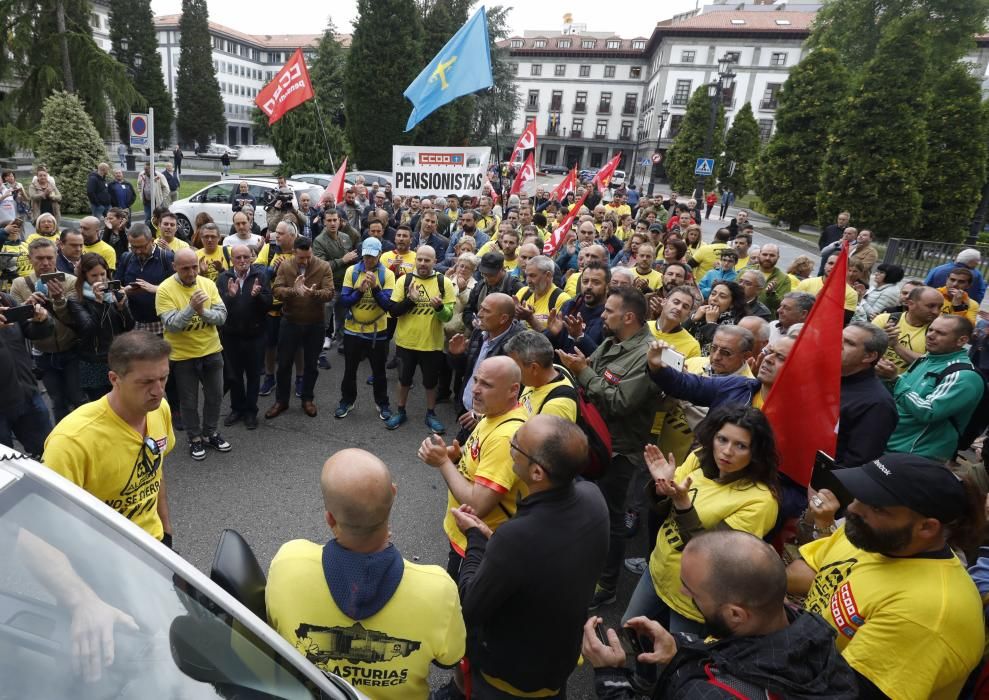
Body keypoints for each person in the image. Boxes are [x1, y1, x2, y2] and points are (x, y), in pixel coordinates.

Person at [265, 448, 465, 699]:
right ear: (393, 493)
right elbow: (450, 659)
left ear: (330, 518)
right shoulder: (438, 589)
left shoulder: (288, 562)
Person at [788, 453, 985, 699]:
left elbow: (845, 693)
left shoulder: (928, 615)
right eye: (860, 496)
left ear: (927, 527)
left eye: (877, 507)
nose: (852, 508)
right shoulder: (870, 536)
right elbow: (807, 572)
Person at [447, 415, 609, 698]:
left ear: (537, 473)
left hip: (508, 682)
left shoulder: (516, 538)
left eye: (516, 445)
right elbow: (545, 560)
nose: (510, 445)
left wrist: (475, 538)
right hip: (557, 663)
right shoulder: (592, 497)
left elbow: (470, 606)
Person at [586, 531, 857, 699]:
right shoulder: (813, 634)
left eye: (692, 590)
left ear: (736, 615)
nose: (683, 591)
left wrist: (610, 677)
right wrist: (679, 647)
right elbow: (737, 652)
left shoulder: (710, 694)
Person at [556, 287, 661, 609]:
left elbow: (619, 401)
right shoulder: (615, 340)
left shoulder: (648, 356)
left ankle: (607, 584)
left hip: (619, 451)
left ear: (628, 317)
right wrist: (581, 363)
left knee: (610, 519)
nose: (602, 316)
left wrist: (582, 371)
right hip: (595, 441)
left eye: (609, 311)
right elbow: (596, 368)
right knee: (586, 507)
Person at [42, 330, 175, 545]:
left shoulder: (160, 410)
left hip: (155, 545)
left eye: (164, 377)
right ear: (114, 379)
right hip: (104, 558)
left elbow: (155, 474)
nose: (158, 391)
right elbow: (47, 527)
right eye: (146, 382)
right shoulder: (71, 440)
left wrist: (166, 531)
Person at [418, 356, 529, 581]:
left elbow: (478, 505)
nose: (475, 390)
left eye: (486, 384)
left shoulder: (506, 436)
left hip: (478, 547)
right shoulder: (495, 415)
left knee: (462, 608)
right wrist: (458, 458)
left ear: (513, 390)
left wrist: (443, 462)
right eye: (476, 380)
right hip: (467, 538)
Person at [155, 248, 230, 461]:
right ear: (175, 267)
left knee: (215, 397)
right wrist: (191, 308)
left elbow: (222, 316)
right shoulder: (165, 289)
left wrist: (202, 312)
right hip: (182, 357)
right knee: (188, 402)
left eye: (194, 267)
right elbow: (172, 325)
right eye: (185, 268)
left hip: (212, 351)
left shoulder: (207, 284)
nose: (191, 272)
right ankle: (195, 438)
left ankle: (210, 433)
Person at [884, 315, 985, 461]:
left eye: (941, 333)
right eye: (930, 330)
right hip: (890, 442)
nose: (930, 335)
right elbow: (897, 393)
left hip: (916, 454)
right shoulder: (926, 359)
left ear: (962, 340)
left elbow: (929, 412)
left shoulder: (963, 375)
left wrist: (894, 380)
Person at [10, 238, 83, 421]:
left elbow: (75, 319)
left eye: (49, 258)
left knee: (78, 398)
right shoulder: (20, 284)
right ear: (30, 258)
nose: (45, 263)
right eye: (39, 258)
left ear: (56, 256)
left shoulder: (70, 281)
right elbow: (14, 324)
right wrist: (28, 307)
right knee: (57, 401)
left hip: (71, 349)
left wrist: (59, 300)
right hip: (43, 353)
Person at [384, 246, 455, 433]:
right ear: (416, 260)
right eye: (420, 259)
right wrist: (410, 300)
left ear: (435, 261)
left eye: (427, 260)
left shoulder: (444, 283)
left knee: (430, 382)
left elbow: (448, 317)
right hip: (406, 342)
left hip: (431, 344)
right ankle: (400, 411)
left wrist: (439, 308)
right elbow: (393, 311)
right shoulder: (404, 281)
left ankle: (431, 413)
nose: (423, 263)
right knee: (404, 379)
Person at [267, 236, 334, 419]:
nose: (305, 261)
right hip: (290, 321)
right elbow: (277, 291)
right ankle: (281, 401)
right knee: (284, 365)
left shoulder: (323, 266)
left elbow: (329, 293)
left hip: (315, 323)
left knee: (311, 365)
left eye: (308, 256)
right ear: (294, 252)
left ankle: (307, 399)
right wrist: (293, 291)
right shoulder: (285, 266)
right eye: (301, 258)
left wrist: (314, 294)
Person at [335, 237, 396, 420]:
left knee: (379, 371)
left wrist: (376, 288)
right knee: (349, 369)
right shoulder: (352, 271)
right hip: (353, 330)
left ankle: (383, 404)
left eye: (372, 256)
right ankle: (346, 401)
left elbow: (388, 306)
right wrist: (359, 292)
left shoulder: (387, 275)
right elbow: (343, 301)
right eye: (365, 256)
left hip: (377, 332)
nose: (368, 260)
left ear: (379, 254)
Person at [217, 244, 272, 430]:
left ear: (252, 258)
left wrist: (257, 296)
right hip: (231, 336)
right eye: (238, 257)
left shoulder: (260, 276)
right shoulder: (223, 278)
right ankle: (237, 409)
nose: (242, 261)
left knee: (254, 375)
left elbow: (268, 304)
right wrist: (229, 296)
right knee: (234, 375)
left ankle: (250, 411)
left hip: (255, 335)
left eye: (246, 257)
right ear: (231, 259)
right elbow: (218, 307)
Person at [66, 253, 134, 399]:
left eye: (102, 274)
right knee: (101, 407)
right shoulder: (75, 300)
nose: (100, 279)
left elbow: (129, 327)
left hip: (117, 357)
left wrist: (123, 308)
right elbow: (88, 330)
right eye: (94, 275)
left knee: (123, 402)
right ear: (85, 277)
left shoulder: (114, 293)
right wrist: (99, 303)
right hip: (94, 361)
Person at [448, 292, 524, 421]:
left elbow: (518, 390)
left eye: (486, 311)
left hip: (490, 418)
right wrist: (456, 355)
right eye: (481, 308)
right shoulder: (479, 332)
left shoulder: (519, 345)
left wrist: (481, 415)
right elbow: (467, 371)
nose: (479, 314)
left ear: (503, 318)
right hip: (468, 411)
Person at [0, 288, 53, 455]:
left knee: (47, 453)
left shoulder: (6, 300)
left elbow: (30, 331)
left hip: (27, 393)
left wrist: (41, 321)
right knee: (5, 469)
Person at [837, 322, 898, 466]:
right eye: (839, 338)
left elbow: (857, 462)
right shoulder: (824, 377)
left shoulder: (877, 404)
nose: (838, 345)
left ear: (869, 356)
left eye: (849, 343)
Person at [505, 330, 578, 421]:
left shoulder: (556, 407)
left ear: (534, 368)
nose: (513, 371)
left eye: (515, 366)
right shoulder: (553, 368)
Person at [871, 285, 942, 375]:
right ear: (911, 304)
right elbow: (863, 347)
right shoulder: (885, 319)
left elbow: (928, 363)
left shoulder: (938, 331)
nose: (936, 312)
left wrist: (896, 345)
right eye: (931, 306)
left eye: (940, 307)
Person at [683, 281, 746, 356]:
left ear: (732, 304)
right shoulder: (701, 313)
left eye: (722, 296)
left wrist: (711, 324)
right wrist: (692, 319)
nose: (714, 299)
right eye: (713, 294)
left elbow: (721, 349)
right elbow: (679, 335)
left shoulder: (735, 324)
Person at [464, 251, 523, 329]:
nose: (487, 278)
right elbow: (467, 310)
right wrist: (472, 321)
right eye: (484, 274)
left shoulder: (515, 287)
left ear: (502, 269)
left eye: (491, 275)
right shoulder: (480, 286)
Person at [796, 253, 860, 321]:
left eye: (838, 265)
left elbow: (842, 321)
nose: (833, 267)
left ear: (846, 270)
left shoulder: (851, 294)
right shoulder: (806, 283)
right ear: (825, 265)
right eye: (830, 263)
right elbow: (794, 309)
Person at [515, 255, 570, 331]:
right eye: (526, 275)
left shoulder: (562, 299)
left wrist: (530, 318)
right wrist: (515, 316)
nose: (528, 281)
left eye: (532, 276)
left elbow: (556, 338)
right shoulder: (523, 292)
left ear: (548, 275)